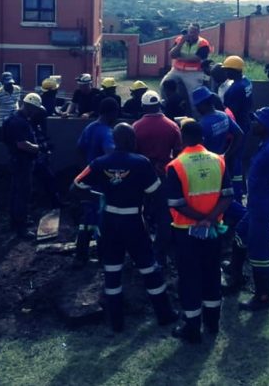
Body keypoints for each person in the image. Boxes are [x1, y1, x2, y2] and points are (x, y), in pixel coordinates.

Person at [73, 123, 177, 332]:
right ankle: (165, 315)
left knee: (112, 270)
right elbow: (156, 194)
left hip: (109, 222)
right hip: (133, 222)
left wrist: (101, 195)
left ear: (116, 141)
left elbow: (75, 186)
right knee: (149, 268)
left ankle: (116, 321)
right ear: (132, 141)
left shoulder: (99, 163)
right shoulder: (141, 163)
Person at [165, 120, 233, 343]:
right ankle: (212, 323)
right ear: (202, 138)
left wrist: (200, 219)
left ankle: (192, 328)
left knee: (189, 278)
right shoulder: (219, 161)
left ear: (183, 139)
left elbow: (177, 203)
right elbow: (227, 195)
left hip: (187, 233)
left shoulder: (176, 166)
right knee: (212, 273)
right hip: (212, 230)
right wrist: (210, 219)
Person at [225, 107, 269, 310]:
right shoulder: (268, 144)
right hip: (255, 207)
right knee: (240, 234)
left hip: (263, 210)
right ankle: (235, 275)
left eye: (257, 121)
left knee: (259, 254)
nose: (253, 123)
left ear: (267, 126)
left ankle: (262, 297)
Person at [134, 90, 182, 267]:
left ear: (144, 106)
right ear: (158, 105)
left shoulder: (136, 127)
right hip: (164, 174)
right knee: (164, 213)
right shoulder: (172, 126)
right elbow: (178, 153)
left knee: (143, 210)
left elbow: (133, 152)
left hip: (143, 176)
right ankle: (161, 251)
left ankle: (144, 247)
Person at [73, 97, 120, 266]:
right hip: (100, 185)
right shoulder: (106, 132)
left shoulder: (90, 127)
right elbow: (111, 156)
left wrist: (85, 170)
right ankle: (102, 256)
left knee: (86, 219)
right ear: (111, 113)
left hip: (88, 181)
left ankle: (81, 255)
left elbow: (79, 149)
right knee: (101, 219)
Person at [2, 93, 46, 238]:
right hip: (21, 161)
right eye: (34, 109)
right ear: (29, 106)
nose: (35, 113)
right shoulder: (18, 122)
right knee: (22, 193)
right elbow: (22, 144)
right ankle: (20, 227)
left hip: (16, 160)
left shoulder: (14, 118)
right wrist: (39, 148)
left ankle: (15, 221)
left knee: (16, 191)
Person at [222, 56, 254, 203]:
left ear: (233, 71)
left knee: (235, 158)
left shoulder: (235, 89)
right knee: (239, 158)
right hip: (246, 121)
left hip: (238, 124)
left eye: (227, 70)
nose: (225, 73)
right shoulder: (246, 82)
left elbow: (231, 111)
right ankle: (243, 187)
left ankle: (238, 190)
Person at [160, 24, 212, 115]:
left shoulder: (203, 43)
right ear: (187, 31)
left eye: (195, 32)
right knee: (163, 85)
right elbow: (172, 55)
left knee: (194, 96)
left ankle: (197, 118)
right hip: (176, 70)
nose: (192, 34)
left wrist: (179, 57)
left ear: (198, 33)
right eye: (190, 31)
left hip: (193, 73)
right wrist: (181, 43)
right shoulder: (180, 40)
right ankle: (165, 107)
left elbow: (197, 58)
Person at [192, 86, 242, 157]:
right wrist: (226, 155)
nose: (196, 108)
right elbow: (239, 134)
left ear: (201, 104)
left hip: (207, 163)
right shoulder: (224, 115)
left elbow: (196, 149)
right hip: (220, 160)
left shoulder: (202, 125)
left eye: (196, 105)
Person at [0, 72, 21, 137]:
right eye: (8, 83)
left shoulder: (17, 89)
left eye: (11, 83)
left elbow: (17, 102)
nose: (10, 85)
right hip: (3, 121)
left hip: (15, 120)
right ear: (3, 83)